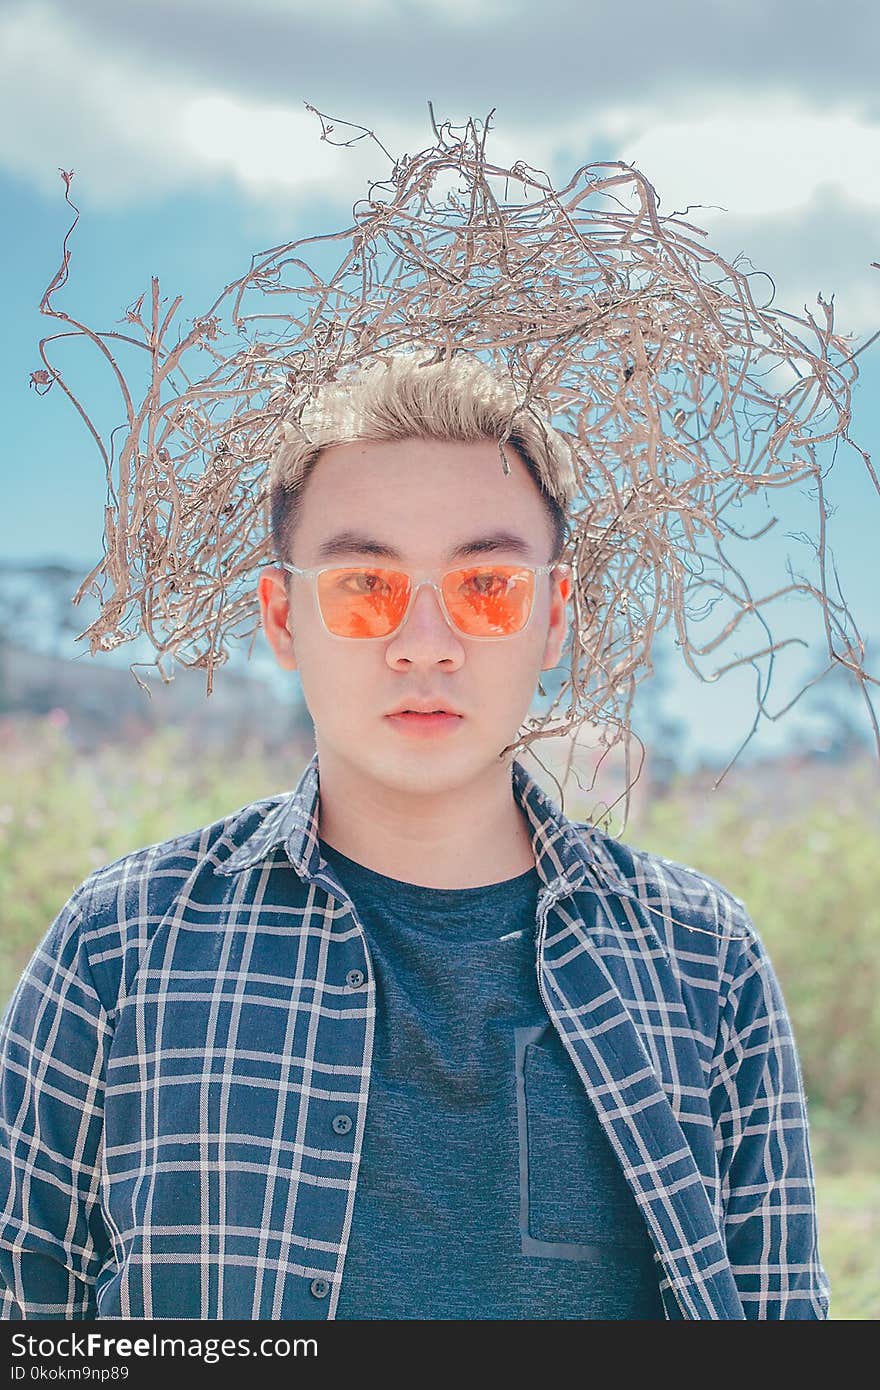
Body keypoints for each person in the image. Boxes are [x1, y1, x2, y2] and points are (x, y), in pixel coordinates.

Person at [0, 353, 829, 1320]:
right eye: (364, 585)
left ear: (554, 618)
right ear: (283, 619)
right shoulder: (122, 947)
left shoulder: (702, 959)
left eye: (486, 586)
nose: (426, 642)